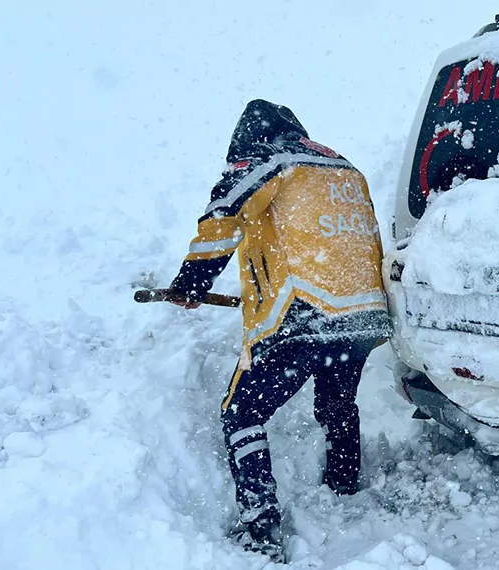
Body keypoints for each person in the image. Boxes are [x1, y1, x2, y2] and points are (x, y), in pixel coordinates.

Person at [166, 99, 391, 559]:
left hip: (304, 313)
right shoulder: (343, 167)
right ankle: (344, 487)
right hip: (364, 313)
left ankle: (260, 525)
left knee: (242, 413)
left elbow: (223, 213)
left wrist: (191, 283)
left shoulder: (269, 159)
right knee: (337, 404)